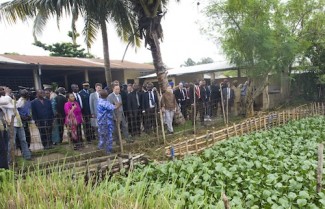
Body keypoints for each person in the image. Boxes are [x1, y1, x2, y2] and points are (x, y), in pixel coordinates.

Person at [0, 86, 31, 160]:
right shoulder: (2, 99)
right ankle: (10, 159)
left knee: (23, 140)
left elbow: (17, 105)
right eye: (4, 89)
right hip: (11, 123)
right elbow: (10, 104)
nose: (8, 89)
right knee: (12, 142)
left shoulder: (9, 98)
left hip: (18, 122)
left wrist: (23, 97)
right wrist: (7, 94)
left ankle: (27, 156)